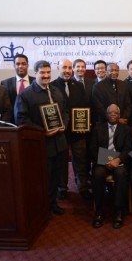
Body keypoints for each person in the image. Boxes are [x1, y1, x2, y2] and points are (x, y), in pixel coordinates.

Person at [15, 60, 68, 216]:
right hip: (41, 144)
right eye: (42, 73)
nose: (46, 76)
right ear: (35, 73)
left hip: (60, 143)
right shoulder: (25, 95)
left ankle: (52, 204)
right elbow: (21, 120)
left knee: (56, 177)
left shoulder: (57, 91)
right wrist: (42, 132)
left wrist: (64, 123)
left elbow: (65, 111)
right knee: (43, 177)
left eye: (48, 72)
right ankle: (42, 207)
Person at [51, 59, 91, 200]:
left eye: (69, 68)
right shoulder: (52, 86)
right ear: (58, 68)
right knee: (61, 161)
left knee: (80, 160)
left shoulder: (79, 86)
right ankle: (62, 187)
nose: (67, 70)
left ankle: (83, 186)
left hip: (78, 131)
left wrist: (83, 125)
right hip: (60, 132)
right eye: (64, 67)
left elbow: (83, 106)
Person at [90, 104, 131, 229]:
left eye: (115, 112)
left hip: (119, 162)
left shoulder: (126, 129)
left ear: (119, 115)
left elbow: (128, 148)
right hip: (102, 162)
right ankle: (99, 211)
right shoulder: (97, 128)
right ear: (106, 114)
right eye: (110, 112)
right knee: (97, 174)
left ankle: (119, 211)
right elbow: (92, 150)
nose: (113, 114)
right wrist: (104, 161)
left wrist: (118, 159)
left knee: (121, 174)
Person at [0, 54, 35, 121]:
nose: (20, 66)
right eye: (18, 64)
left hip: (32, 122)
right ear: (14, 66)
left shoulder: (35, 82)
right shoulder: (5, 83)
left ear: (28, 65)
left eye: (23, 64)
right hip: (12, 123)